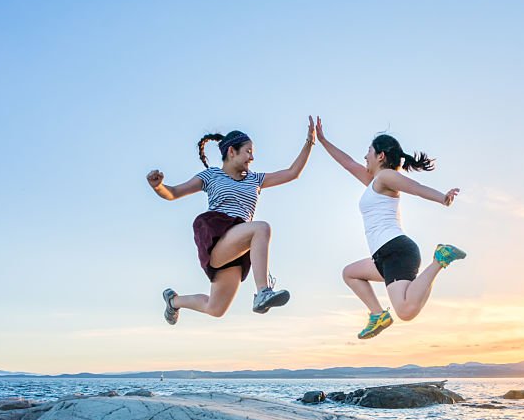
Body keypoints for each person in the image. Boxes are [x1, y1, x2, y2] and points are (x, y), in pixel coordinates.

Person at [147, 119, 315, 323]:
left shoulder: (255, 179)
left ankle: (173, 302)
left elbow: (292, 173)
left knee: (215, 309)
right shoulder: (211, 176)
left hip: (238, 246)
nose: (252, 157)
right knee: (261, 228)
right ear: (232, 152)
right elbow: (173, 193)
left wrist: (309, 142)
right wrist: (158, 187)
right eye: (248, 151)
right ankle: (263, 291)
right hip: (218, 237)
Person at [315, 117, 466, 339]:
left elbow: (415, 187)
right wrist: (323, 140)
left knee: (405, 311)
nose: (364, 156)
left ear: (381, 156)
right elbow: (347, 162)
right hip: (384, 256)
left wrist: (442, 198)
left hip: (394, 249)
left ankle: (439, 259)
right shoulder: (374, 181)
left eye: (368, 151)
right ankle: (377, 314)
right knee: (350, 273)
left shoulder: (385, 176)